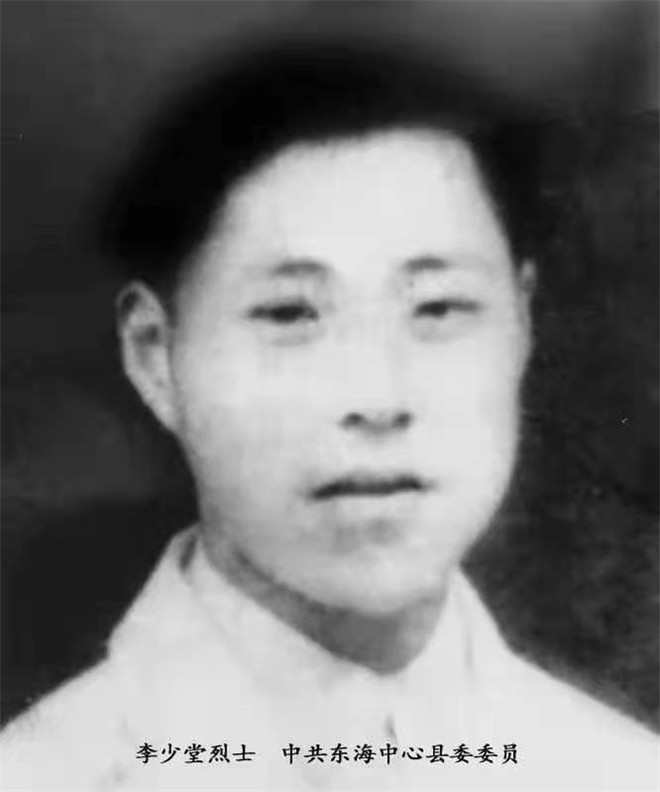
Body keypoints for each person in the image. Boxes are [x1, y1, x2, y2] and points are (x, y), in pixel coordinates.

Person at [2, 36, 657, 792]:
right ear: (155, 356)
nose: (376, 400)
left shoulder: (622, 769)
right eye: (290, 313)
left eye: (440, 307)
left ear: (523, 322)